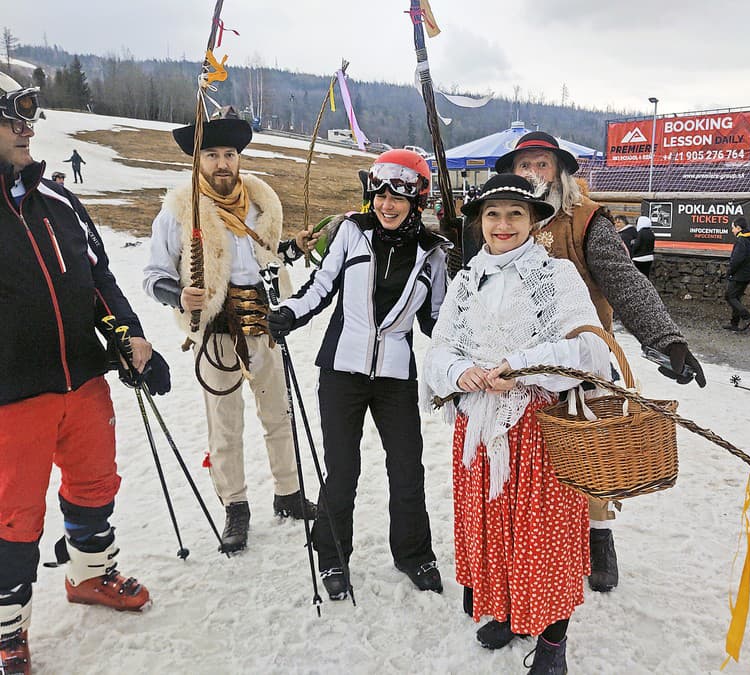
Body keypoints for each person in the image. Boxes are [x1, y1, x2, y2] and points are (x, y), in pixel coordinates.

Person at [0, 73, 171, 674]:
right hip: (12, 397)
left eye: (29, 117)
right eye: (13, 118)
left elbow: (98, 280)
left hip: (83, 382)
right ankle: (7, 629)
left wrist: (128, 335)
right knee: (14, 514)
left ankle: (89, 576)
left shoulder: (59, 201)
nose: (28, 129)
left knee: (95, 485)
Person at [494, 131, 707, 600]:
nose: (532, 174)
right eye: (524, 166)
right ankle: (531, 548)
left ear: (561, 173)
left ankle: (599, 537)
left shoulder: (587, 220)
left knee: (591, 459)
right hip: (519, 371)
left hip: (580, 362)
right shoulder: (505, 220)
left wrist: (667, 340)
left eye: (542, 165)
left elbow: (625, 283)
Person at [424, 173, 611, 673]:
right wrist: (463, 373)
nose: (502, 224)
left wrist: (523, 366)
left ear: (533, 222)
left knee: (543, 538)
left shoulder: (558, 277)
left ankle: (553, 643)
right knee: (494, 531)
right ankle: (509, 611)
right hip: (481, 430)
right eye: (492, 214)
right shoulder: (467, 281)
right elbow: (440, 350)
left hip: (539, 429)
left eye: (514, 214)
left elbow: (590, 350)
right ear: (479, 222)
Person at [267, 149, 449, 600]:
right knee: (342, 469)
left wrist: (467, 339)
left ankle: (413, 554)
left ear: (417, 201)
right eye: (380, 195)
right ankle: (332, 554)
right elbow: (321, 286)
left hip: (395, 377)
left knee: (407, 468)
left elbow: (440, 321)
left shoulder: (433, 254)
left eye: (398, 198)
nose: (387, 205)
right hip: (342, 372)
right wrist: (288, 313)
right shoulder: (352, 231)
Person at [143, 105, 315, 555]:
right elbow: (154, 274)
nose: (222, 163)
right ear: (198, 160)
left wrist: (291, 249)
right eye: (213, 155)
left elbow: (265, 256)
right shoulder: (179, 212)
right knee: (225, 424)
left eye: (229, 154)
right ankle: (235, 505)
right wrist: (177, 295)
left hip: (263, 324)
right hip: (216, 332)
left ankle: (289, 492)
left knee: (279, 413)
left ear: (239, 158)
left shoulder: (261, 203)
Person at [723, 216, 750, 331]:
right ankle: (734, 324)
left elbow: (736, 260)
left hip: (740, 274)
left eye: (733, 228)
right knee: (736, 297)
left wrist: (730, 272)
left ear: (738, 228)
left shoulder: (741, 240)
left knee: (729, 296)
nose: (731, 230)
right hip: (748, 272)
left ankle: (747, 317)